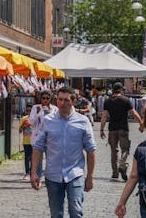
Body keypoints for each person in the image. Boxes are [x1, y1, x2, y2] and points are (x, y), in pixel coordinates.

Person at [32, 86, 96, 218]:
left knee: (76, 211)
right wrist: (33, 173)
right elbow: (38, 147)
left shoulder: (83, 121)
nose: (62, 103)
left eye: (66, 100)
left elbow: (91, 150)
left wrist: (90, 176)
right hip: (53, 174)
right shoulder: (48, 120)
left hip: (75, 173)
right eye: (59, 100)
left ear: (73, 101)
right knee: (56, 214)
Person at [102, 82, 144, 181]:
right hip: (123, 128)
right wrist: (141, 124)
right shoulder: (126, 100)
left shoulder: (107, 101)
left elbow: (104, 116)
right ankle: (122, 163)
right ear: (121, 90)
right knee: (125, 149)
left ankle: (115, 172)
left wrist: (101, 129)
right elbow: (133, 113)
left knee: (113, 150)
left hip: (112, 128)